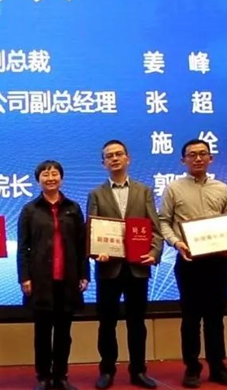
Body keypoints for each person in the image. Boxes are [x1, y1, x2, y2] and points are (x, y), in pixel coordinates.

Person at [159, 139, 227, 388]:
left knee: (215, 317)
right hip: (189, 261)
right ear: (183, 160)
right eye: (192, 154)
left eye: (202, 154)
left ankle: (218, 366)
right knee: (191, 317)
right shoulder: (174, 188)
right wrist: (176, 242)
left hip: (218, 262)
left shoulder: (221, 188)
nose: (198, 158)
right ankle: (192, 367)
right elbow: (163, 221)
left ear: (210, 158)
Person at [87, 140, 162, 389]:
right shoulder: (96, 194)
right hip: (108, 268)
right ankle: (107, 371)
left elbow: (155, 228)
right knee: (107, 323)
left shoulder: (144, 191)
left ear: (128, 159)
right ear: (104, 163)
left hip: (138, 267)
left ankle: (138, 371)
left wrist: (154, 252)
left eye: (119, 154)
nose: (115, 158)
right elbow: (92, 230)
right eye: (109, 156)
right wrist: (96, 252)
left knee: (137, 323)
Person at [17, 160, 89, 390]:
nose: (50, 178)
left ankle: (61, 376)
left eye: (54, 174)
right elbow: (23, 248)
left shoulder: (73, 208)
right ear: (38, 180)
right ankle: (43, 377)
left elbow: (82, 244)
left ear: (61, 178)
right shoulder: (30, 210)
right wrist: (24, 277)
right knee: (42, 332)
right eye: (45, 175)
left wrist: (84, 274)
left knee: (64, 333)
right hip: (40, 281)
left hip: (68, 279)